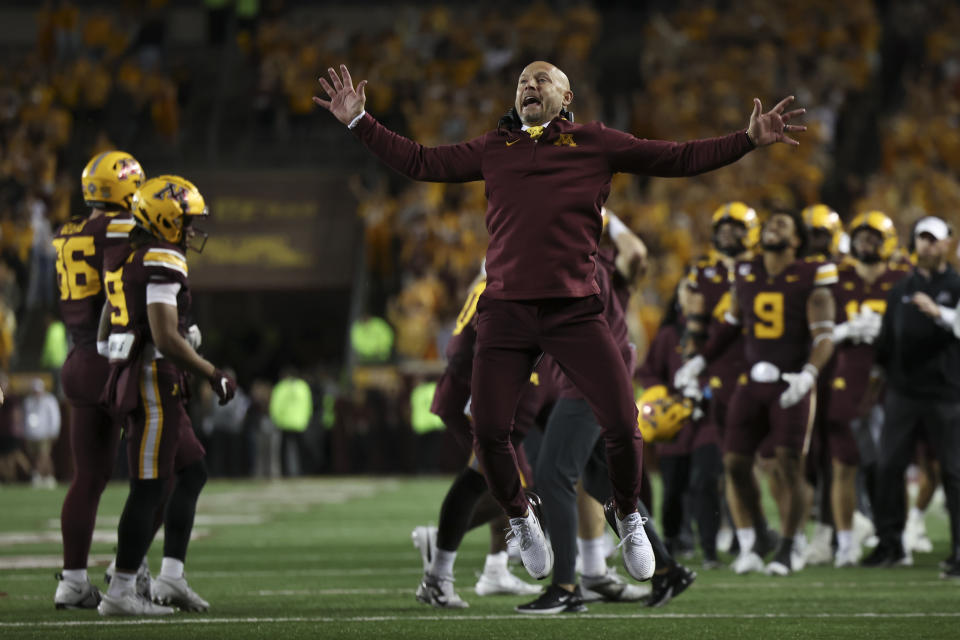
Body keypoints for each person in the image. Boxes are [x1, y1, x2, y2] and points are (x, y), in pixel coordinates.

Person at [314, 60, 805, 582]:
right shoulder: (493, 147)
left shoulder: (595, 142)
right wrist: (359, 122)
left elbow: (678, 158)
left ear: (566, 98)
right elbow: (419, 161)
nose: (529, 85)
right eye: (522, 80)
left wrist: (746, 140)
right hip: (506, 310)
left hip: (574, 308)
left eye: (541, 79)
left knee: (622, 422)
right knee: (491, 432)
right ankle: (521, 516)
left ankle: (628, 512)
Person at [98, 175, 237, 616]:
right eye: (187, 220)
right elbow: (163, 333)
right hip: (155, 379)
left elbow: (107, 326)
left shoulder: (128, 253)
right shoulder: (160, 256)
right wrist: (211, 371)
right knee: (149, 488)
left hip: (151, 376)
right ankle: (120, 591)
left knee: (192, 472)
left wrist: (118, 350)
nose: (192, 230)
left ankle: (171, 578)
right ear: (165, 218)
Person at [676, 210, 838, 576]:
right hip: (751, 382)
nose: (772, 228)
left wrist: (808, 375)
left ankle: (788, 546)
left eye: (783, 224)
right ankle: (760, 537)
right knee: (734, 462)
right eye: (769, 224)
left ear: (796, 239)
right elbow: (730, 326)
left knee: (788, 464)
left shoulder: (810, 276)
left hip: (791, 382)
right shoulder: (746, 273)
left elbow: (825, 336)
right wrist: (698, 362)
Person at [53, 150, 145, 609]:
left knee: (86, 478)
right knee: (161, 470)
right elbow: (121, 289)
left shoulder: (66, 232)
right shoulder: (122, 229)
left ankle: (71, 580)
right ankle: (130, 570)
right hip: (115, 356)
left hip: (77, 359)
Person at [864, 216, 960, 579]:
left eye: (934, 240)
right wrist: (876, 382)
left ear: (947, 242)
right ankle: (890, 544)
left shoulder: (957, 286)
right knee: (888, 468)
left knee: (953, 473)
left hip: (946, 393)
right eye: (922, 239)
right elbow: (887, 341)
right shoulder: (900, 289)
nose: (928, 246)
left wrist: (941, 314)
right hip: (902, 392)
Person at [825, 211, 908, 567]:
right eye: (860, 237)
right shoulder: (837, 279)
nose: (865, 244)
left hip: (893, 380)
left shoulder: (902, 279)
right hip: (847, 379)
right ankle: (845, 544)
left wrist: (889, 332)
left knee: (892, 465)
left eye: (873, 238)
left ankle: (895, 538)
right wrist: (841, 331)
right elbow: (816, 325)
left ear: (887, 242)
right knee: (843, 464)